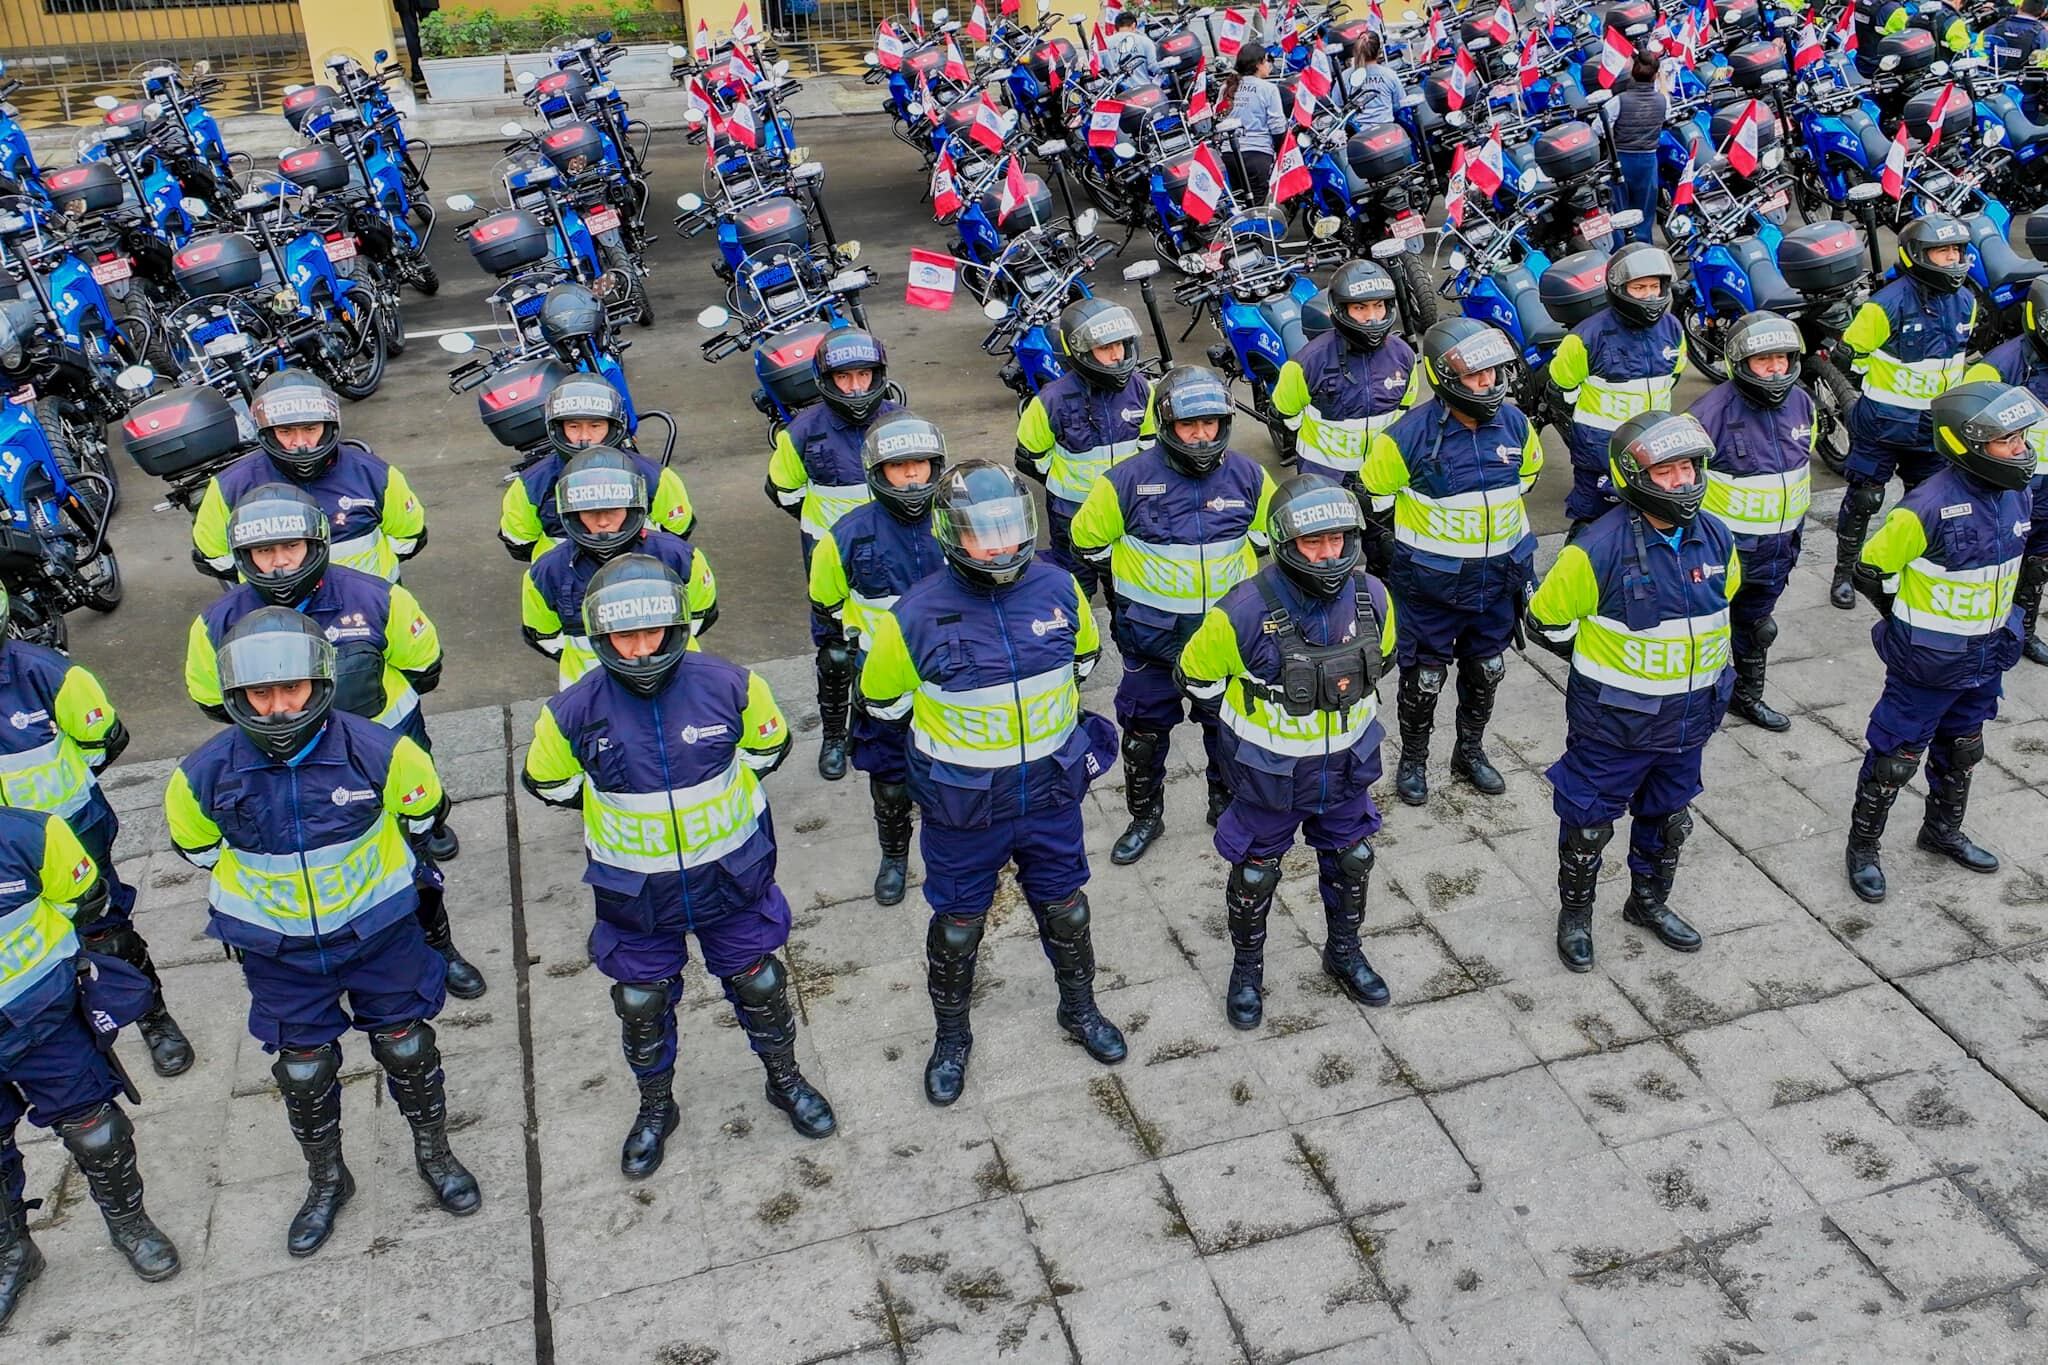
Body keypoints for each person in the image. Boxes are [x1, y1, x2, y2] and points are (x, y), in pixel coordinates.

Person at [166, 610, 481, 1256]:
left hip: (378, 933)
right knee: (304, 1070)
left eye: (294, 689)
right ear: (236, 695)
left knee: (408, 1046)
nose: (280, 707)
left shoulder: (383, 751)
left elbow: (422, 813)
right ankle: (328, 1179)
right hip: (276, 949)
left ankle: (434, 1152)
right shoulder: (199, 776)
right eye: (262, 693)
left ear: (322, 683)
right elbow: (197, 849)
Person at [525, 556, 834, 1171]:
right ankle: (656, 1106)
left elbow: (768, 746)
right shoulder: (570, 712)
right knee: (641, 1003)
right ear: (599, 635)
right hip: (635, 893)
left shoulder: (732, 684)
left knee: (759, 984)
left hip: (732, 878)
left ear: (676, 628)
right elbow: (549, 783)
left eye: (653, 633)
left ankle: (785, 1079)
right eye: (624, 636)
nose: (640, 650)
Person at [858, 461, 1126, 1106]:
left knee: (1066, 908)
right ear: (953, 536)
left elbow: (1083, 662)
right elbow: (884, 705)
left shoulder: (1061, 589)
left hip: (1049, 794)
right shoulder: (911, 617)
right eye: (984, 535)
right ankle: (952, 1039)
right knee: (957, 925)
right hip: (964, 807)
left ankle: (1079, 1008)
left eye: (1010, 530)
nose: (1001, 547)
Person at [184, 487, 485, 999]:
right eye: (263, 551)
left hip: (384, 757)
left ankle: (438, 945)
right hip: (284, 768)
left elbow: (425, 668)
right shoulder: (215, 624)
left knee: (410, 865)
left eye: (291, 548)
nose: (279, 563)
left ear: (316, 545)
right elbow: (215, 702)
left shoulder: (376, 597)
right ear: (244, 557)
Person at [1178, 476, 1400, 1025]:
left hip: (1347, 768)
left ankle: (1344, 953)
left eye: (1338, 541)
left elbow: (1387, 659)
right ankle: (1247, 971)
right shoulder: (1241, 612)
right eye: (1312, 542)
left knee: (1352, 859)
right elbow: (1197, 678)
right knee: (1255, 873)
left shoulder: (1373, 597)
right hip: (1269, 777)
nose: (1328, 555)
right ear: (1284, 542)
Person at [1525, 412, 1740, 972]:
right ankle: (1575, 917)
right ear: (1635, 478)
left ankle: (1648, 902)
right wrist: (1602, 667)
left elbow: (1725, 605)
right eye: (1667, 473)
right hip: (1616, 726)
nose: (1684, 483)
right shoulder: (1594, 550)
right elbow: (1547, 623)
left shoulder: (1716, 534)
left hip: (1691, 719)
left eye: (1690, 469)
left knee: (1670, 818)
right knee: (1589, 825)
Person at [1843, 382, 2044, 902]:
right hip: (1928, 664)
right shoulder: (1924, 508)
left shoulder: (2017, 491)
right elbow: (1870, 568)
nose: (2021, 449)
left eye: (2023, 438)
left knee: (1963, 749)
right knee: (1895, 757)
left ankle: (1942, 831)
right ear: (1967, 445)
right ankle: (1863, 848)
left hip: (1987, 654)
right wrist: (1905, 623)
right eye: (2008, 442)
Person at [1069, 365, 1278, 864]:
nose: (1201, 435)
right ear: (1166, 423)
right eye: (1190, 425)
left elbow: (1270, 538)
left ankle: (1224, 804)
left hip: (1225, 645)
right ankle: (1145, 816)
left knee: (1225, 732)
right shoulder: (1123, 482)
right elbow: (1087, 542)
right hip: (1151, 641)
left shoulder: (1250, 476)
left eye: (1211, 423)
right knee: (1143, 737)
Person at [0, 806, 181, 1326]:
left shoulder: (29, 835)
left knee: (96, 1131)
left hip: (41, 1017)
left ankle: (130, 1225)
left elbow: (84, 900)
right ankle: (13, 1253)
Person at [0, 587, 192, 1075]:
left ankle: (153, 1016)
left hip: (70, 837)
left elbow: (105, 741)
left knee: (105, 931)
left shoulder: (49, 675)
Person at [1361, 319, 1542, 805]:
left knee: (1487, 671)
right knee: (1423, 679)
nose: (1489, 384)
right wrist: (1394, 560)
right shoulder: (1403, 439)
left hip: (1497, 584)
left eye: (1493, 373)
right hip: (1429, 590)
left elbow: (1526, 479)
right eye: (1475, 376)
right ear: (1444, 378)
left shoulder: (1517, 425)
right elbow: (1373, 500)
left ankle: (1470, 751)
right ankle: (1414, 760)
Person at [809, 411, 949, 906]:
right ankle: (894, 856)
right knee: (889, 783)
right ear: (877, 472)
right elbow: (826, 605)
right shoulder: (845, 536)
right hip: (883, 681)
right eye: (899, 467)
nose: (912, 476)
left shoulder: (960, 520)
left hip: (951, 673)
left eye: (921, 465)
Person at [766, 327, 902, 782]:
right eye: (845, 378)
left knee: (902, 637)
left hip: (900, 552)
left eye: (864, 375)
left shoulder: (901, 424)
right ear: (827, 379)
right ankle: (833, 734)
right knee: (835, 652)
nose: (856, 387)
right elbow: (783, 492)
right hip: (832, 562)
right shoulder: (801, 432)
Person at [1831, 216, 1979, 609]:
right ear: (1917, 255)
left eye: (1956, 251)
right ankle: (1845, 571)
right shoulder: (1885, 306)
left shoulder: (1967, 301)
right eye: (1941, 252)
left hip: (1934, 431)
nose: (1951, 260)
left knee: (1929, 504)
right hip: (1882, 426)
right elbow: (1850, 356)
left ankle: (1911, 565)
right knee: (1865, 498)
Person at [1690, 311, 1816, 731]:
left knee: (1758, 629)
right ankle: (1693, 711)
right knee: (1702, 635)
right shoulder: (1708, 414)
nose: (1776, 368)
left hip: (1778, 549)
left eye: (1782, 358)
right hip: (1721, 555)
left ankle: (1747, 696)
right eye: (1765, 361)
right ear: (1741, 363)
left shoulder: (1801, 402)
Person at [192, 370, 426, 584]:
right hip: (282, 621)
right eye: (285, 431)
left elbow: (409, 539)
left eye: (311, 429)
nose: (300, 443)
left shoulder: (375, 475)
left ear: (328, 425)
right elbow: (215, 555)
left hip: (371, 612)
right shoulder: (230, 486)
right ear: (267, 432)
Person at [521, 447, 718, 688]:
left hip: (679, 684)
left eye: (612, 510)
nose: (603, 521)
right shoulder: (545, 573)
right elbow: (543, 635)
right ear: (572, 511)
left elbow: (701, 614)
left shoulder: (681, 557)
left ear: (632, 506)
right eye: (591, 512)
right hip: (590, 696)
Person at [1015, 299, 1154, 603]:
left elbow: (1151, 448)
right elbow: (1030, 458)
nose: (1117, 355)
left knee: (1127, 588)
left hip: (1125, 511)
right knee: (1075, 589)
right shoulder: (1050, 400)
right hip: (1071, 513)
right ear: (1081, 351)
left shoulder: (1142, 390)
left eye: (1120, 344)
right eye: (1106, 348)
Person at [1546, 243, 1687, 530]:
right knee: (1591, 527)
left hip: (1653, 452)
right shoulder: (1586, 337)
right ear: (1620, 289)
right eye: (1639, 287)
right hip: (1600, 457)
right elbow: (1561, 388)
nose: (1649, 295)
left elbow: (1674, 376)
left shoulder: (1673, 330)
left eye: (1654, 287)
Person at [499, 374, 698, 562]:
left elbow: (678, 531)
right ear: (558, 427)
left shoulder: (656, 478)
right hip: (563, 583)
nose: (585, 437)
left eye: (595, 426)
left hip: (639, 583)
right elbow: (518, 542)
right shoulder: (531, 484)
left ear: (613, 426)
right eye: (574, 426)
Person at [1272, 259, 1423, 497]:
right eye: (1360, 308)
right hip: (1323, 477)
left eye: (1379, 305)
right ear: (1341, 309)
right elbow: (1286, 412)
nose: (1372, 317)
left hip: (1380, 478)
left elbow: (1404, 410)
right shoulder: (1306, 362)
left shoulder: (1403, 356)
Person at [1967, 276, 2048, 665]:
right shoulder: (1999, 366)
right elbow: (1965, 424)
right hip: (2007, 486)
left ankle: (2024, 631)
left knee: (2037, 566)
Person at [1607, 49, 1666, 246]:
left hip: (1621, 160)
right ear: (1655, 76)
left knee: (1619, 209)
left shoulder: (1618, 101)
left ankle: (1621, 248)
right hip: (1648, 160)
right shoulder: (1662, 101)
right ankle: (1643, 247)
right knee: (1644, 211)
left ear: (1632, 73)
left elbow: (1599, 128)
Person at [1220, 46, 1283, 206]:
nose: (1269, 65)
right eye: (1267, 60)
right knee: (1257, 207)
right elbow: (1277, 127)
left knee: (1239, 206)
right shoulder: (1268, 89)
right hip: (1257, 155)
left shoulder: (1226, 87)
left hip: (1229, 155)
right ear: (1258, 64)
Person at [1344, 32, 1408, 126]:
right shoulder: (1389, 74)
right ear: (1379, 52)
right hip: (1386, 131)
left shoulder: (1345, 76)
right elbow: (1400, 103)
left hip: (1357, 133)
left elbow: (1337, 105)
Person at [1987, 0, 2048, 70]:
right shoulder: (2042, 35)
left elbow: (1978, 52)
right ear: (2043, 13)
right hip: (2025, 78)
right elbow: (2044, 63)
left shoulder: (1994, 28)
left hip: (1991, 77)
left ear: (2019, 7)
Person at [1107, 10, 1160, 76]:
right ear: (1134, 25)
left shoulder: (1106, 43)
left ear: (1116, 26)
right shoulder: (1145, 41)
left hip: (1116, 85)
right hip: (1143, 85)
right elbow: (1154, 66)